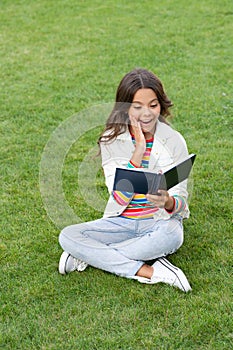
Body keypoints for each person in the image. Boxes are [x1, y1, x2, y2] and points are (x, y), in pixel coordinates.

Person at [58, 68, 192, 292]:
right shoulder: (112, 142)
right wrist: (138, 150)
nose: (147, 114)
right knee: (68, 235)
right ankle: (152, 271)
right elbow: (118, 196)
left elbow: (181, 199)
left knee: (171, 236)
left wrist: (168, 201)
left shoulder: (174, 141)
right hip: (122, 222)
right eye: (137, 107)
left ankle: (89, 256)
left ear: (161, 105)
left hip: (160, 223)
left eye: (153, 105)